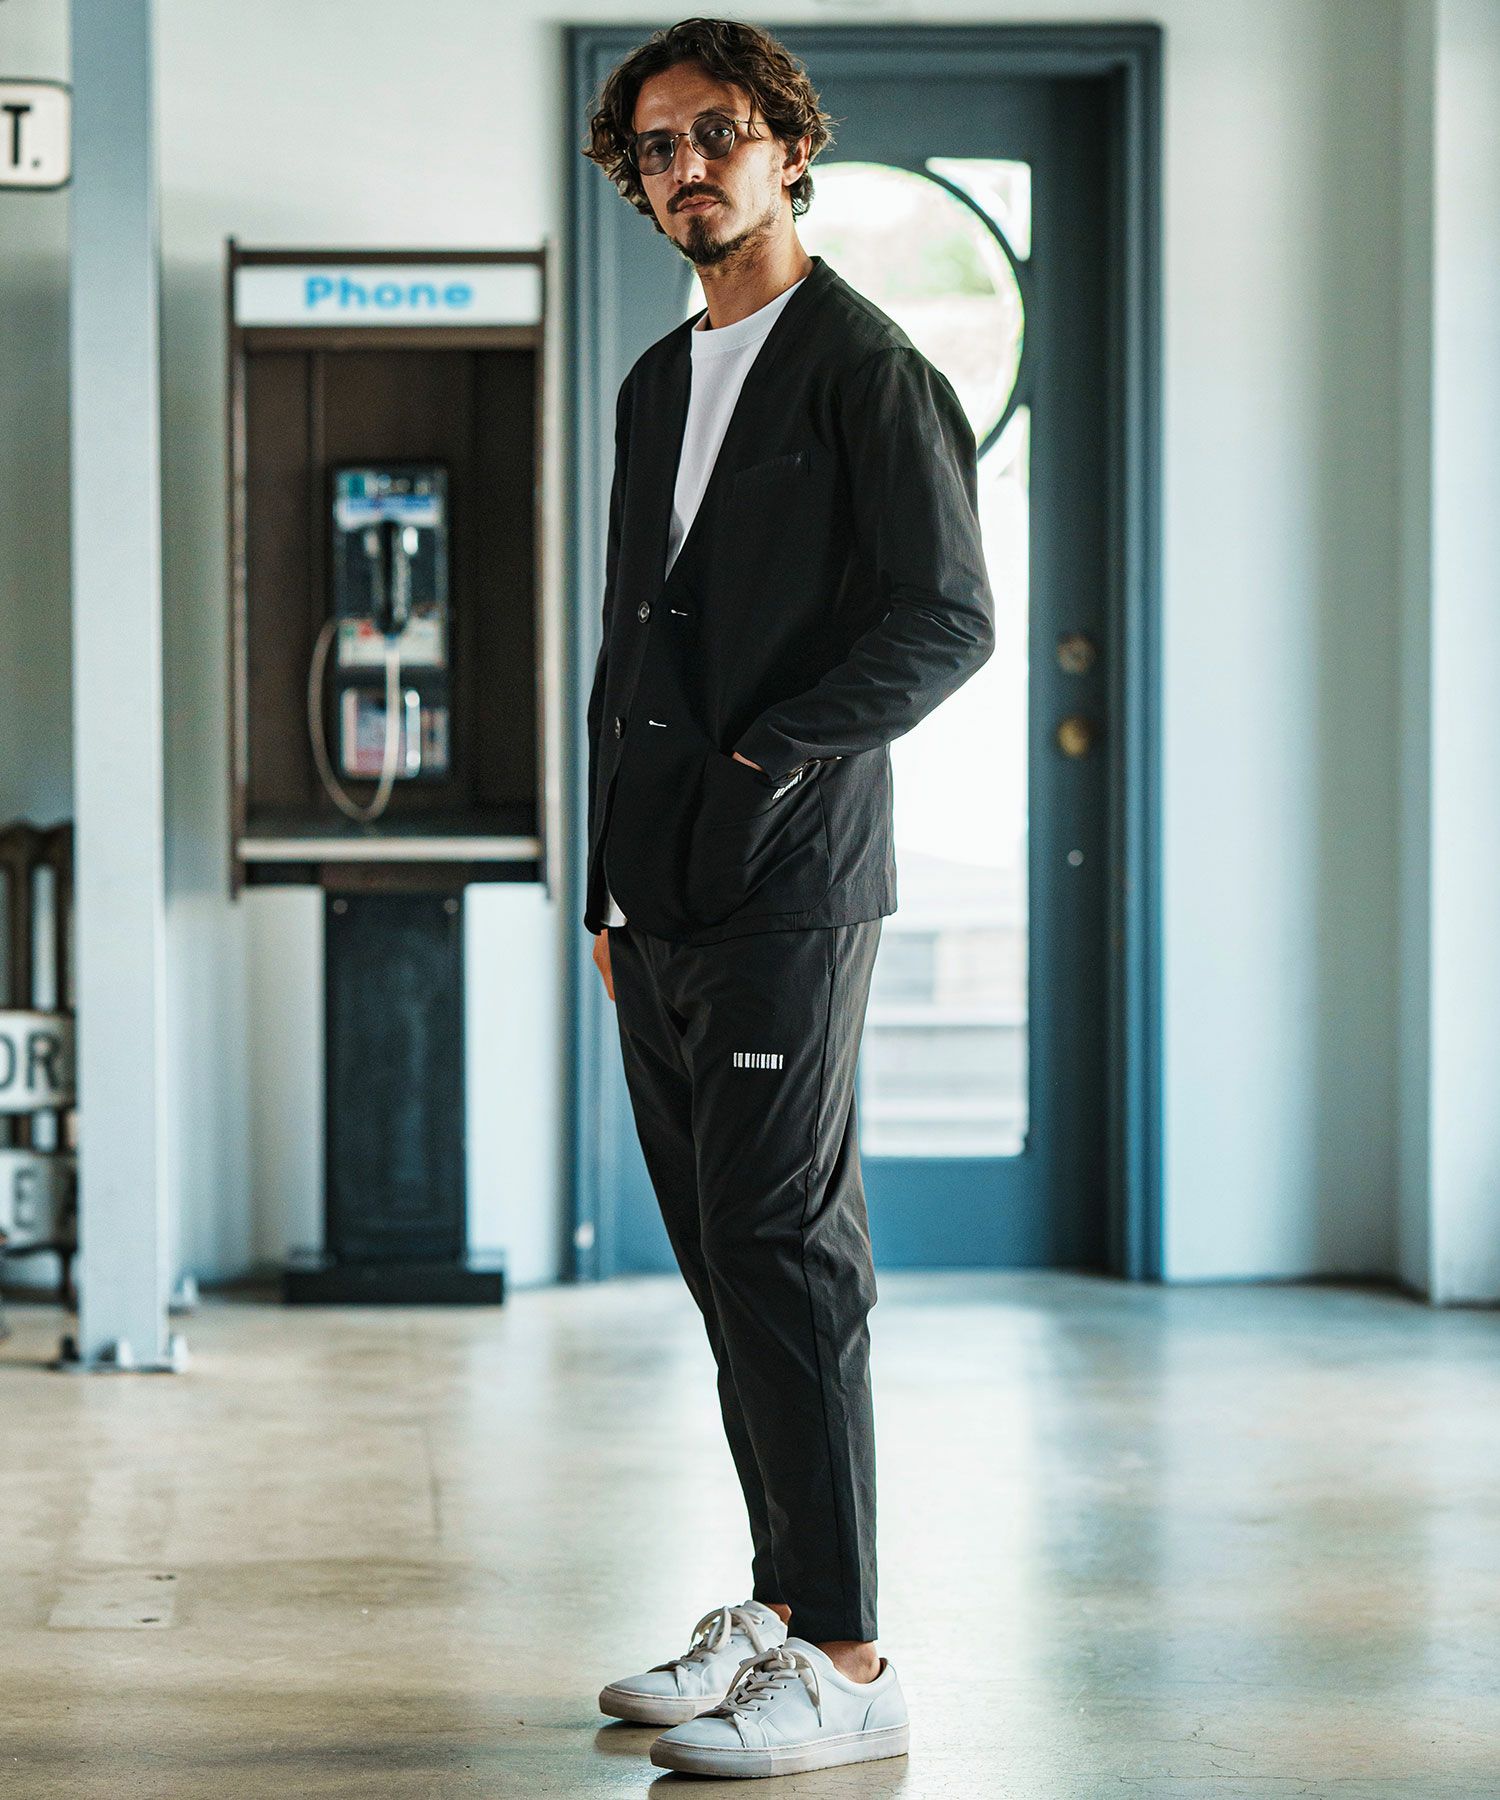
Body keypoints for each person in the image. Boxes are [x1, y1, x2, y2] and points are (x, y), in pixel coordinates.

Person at [579, 16, 995, 1780]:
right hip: (657, 896)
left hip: (789, 882)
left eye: (718, 134)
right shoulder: (655, 383)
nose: (688, 167)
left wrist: (768, 762)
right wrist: (607, 890)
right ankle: (778, 1603)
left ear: (789, 148)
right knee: (719, 1258)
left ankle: (848, 1653)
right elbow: (632, 648)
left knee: (784, 1249)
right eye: (658, 146)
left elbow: (946, 619)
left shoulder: (866, 371)